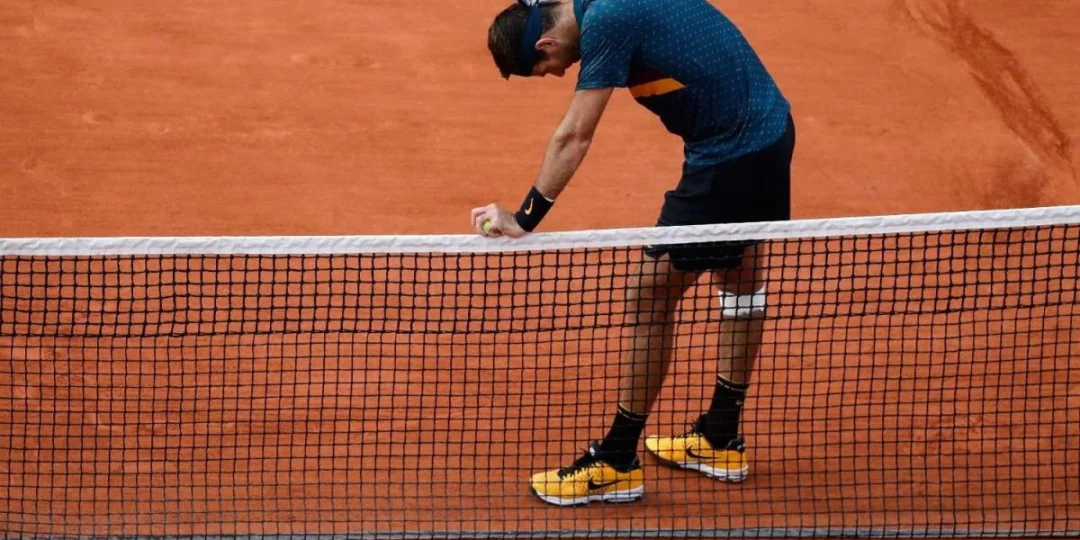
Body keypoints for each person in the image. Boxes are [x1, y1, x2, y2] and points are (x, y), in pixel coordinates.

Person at [470, 0, 796, 507]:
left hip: (731, 155)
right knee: (739, 280)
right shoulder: (595, 7)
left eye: (545, 67)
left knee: (650, 294)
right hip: (768, 131)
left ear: (545, 43)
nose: (558, 73)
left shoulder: (606, 23)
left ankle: (617, 460)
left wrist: (524, 217)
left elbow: (574, 136)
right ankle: (720, 435)